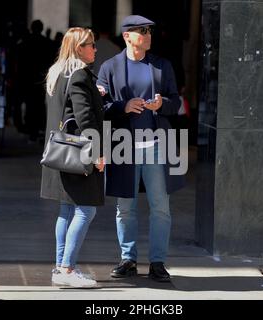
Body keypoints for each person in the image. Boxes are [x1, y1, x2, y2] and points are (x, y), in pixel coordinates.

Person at [97, 15, 185, 282]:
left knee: (161, 207)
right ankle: (128, 259)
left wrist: (162, 104)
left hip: (157, 145)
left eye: (149, 31)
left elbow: (176, 102)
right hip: (124, 147)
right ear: (127, 36)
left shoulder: (161, 66)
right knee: (125, 207)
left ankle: (158, 262)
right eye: (141, 31)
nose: (147, 35)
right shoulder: (110, 67)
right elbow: (99, 108)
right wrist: (122, 106)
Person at [41, 27, 105, 287]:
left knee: (66, 210)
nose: (95, 48)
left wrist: (95, 95)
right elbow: (84, 118)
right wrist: (97, 153)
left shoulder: (57, 73)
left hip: (60, 152)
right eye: (90, 44)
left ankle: (60, 267)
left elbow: (67, 109)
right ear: (79, 48)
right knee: (86, 210)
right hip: (78, 154)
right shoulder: (79, 74)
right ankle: (67, 269)